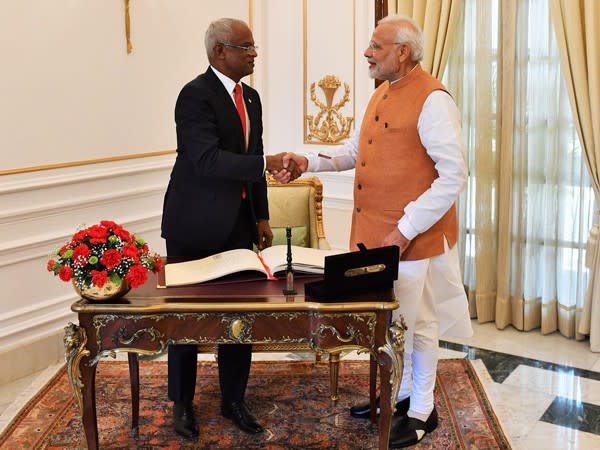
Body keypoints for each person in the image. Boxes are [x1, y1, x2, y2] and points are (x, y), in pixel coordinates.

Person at [274, 14, 473, 448]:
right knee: (395, 321)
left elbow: (454, 175)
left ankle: (422, 411)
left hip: (411, 241)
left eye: (376, 45)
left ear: (402, 52)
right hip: (377, 237)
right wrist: (310, 161)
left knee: (417, 324)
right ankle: (399, 396)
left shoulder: (434, 99)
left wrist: (404, 229)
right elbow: (353, 152)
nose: (367, 52)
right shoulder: (382, 92)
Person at [161, 18, 298, 439]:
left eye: (254, 46)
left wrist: (261, 216)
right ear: (220, 51)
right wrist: (267, 163)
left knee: (240, 319)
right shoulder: (194, 96)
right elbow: (206, 161)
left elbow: (251, 157)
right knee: (186, 321)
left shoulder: (251, 98)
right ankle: (182, 403)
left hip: (239, 225)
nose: (254, 54)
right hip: (193, 224)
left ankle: (233, 399)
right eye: (246, 47)